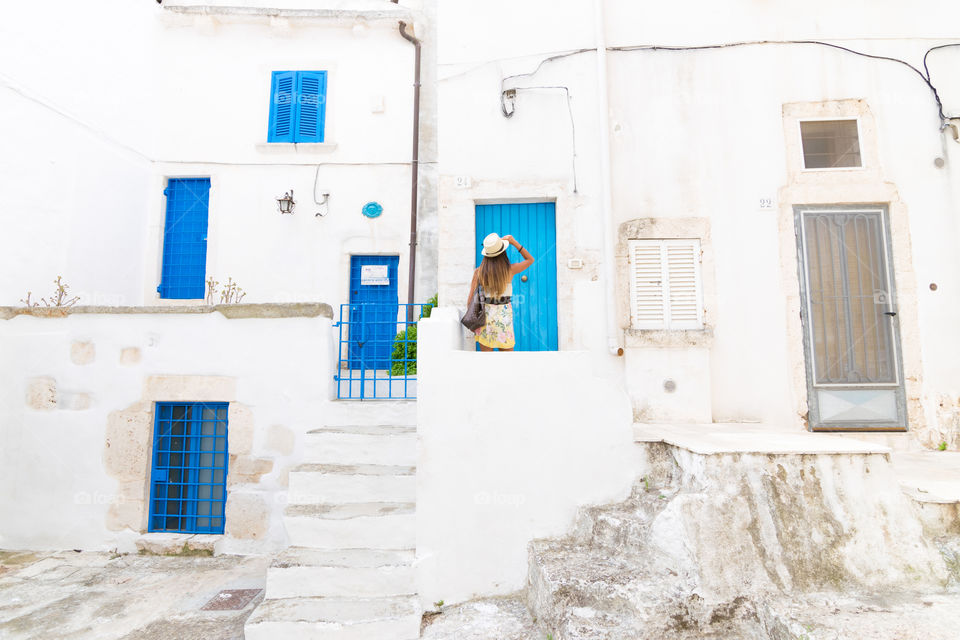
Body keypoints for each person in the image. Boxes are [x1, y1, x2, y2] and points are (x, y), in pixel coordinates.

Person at [467, 232, 534, 351]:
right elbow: (530, 259)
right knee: (507, 361)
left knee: (487, 361)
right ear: (502, 252)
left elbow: (470, 300)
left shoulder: (479, 272)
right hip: (504, 318)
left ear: (486, 254)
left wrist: (472, 321)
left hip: (485, 319)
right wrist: (514, 242)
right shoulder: (510, 270)